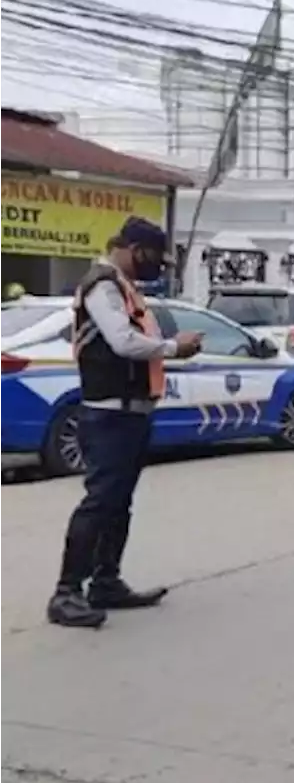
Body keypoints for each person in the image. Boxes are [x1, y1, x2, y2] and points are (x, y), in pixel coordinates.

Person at [48, 218, 204, 629]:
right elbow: (122, 341)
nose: (157, 266)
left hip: (131, 413)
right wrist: (174, 347)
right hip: (109, 414)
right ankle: (66, 593)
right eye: (154, 257)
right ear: (135, 249)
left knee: (118, 504)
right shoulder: (104, 286)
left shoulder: (124, 287)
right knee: (100, 503)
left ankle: (106, 582)